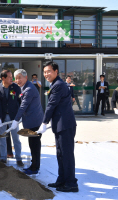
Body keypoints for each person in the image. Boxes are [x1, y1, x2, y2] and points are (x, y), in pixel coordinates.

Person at [37, 61, 78, 192]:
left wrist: (44, 123)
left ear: (56, 71)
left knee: (66, 155)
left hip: (65, 125)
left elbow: (51, 105)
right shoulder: (55, 84)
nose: (46, 74)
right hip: (60, 125)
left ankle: (71, 183)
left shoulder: (58, 85)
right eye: (44, 72)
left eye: (48, 71)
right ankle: (62, 180)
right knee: (60, 154)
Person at [0, 69, 23, 166]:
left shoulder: (15, 87)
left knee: (16, 138)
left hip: (13, 117)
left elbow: (20, 101)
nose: (11, 78)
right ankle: (3, 158)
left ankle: (19, 158)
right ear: (3, 78)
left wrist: (19, 117)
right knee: (2, 138)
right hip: (2, 117)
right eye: (9, 77)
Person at [13, 69, 44, 174]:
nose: (18, 80)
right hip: (31, 121)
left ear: (26, 77)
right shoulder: (24, 87)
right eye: (16, 78)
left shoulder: (29, 89)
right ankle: (34, 165)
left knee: (35, 145)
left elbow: (23, 107)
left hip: (34, 122)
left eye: (19, 78)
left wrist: (16, 120)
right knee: (32, 144)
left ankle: (35, 168)